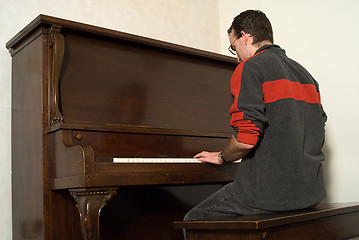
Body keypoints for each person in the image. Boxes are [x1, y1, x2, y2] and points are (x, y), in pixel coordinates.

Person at [184, 9, 327, 221]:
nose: (237, 57)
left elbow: (245, 140)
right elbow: (318, 126)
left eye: (234, 48)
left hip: (268, 195)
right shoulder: (305, 75)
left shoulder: (250, 67)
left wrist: (222, 156)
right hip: (310, 193)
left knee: (193, 220)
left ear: (245, 37)